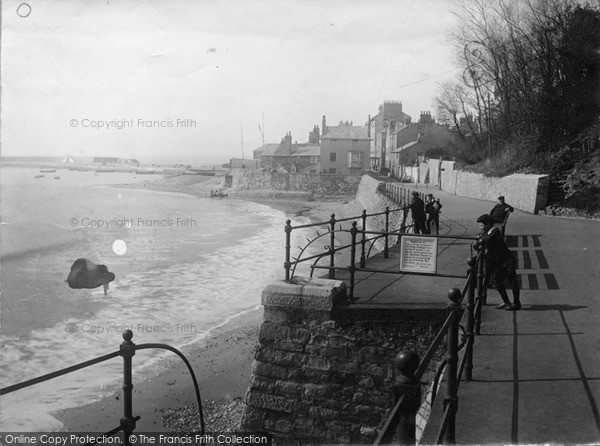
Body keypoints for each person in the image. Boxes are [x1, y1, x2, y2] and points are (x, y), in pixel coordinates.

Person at [474, 214, 521, 310]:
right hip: (498, 261)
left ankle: (516, 303)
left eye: (482, 225)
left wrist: (479, 239)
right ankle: (506, 302)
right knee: (497, 281)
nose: (480, 228)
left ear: (488, 225)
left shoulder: (495, 232)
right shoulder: (487, 232)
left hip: (507, 260)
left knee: (512, 281)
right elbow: (482, 239)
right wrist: (479, 239)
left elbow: (487, 239)